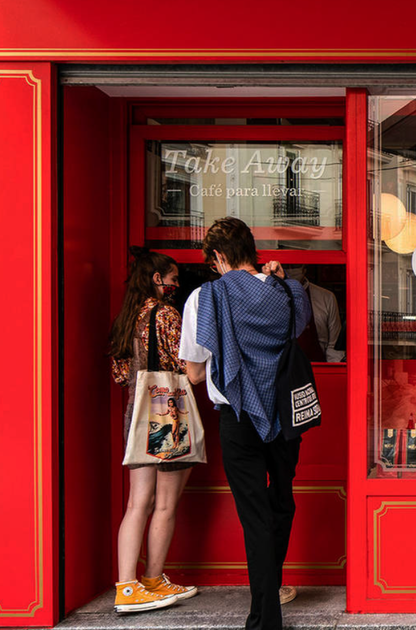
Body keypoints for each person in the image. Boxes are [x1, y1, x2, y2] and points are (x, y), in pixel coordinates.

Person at [180, 218, 310, 630]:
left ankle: (264, 619)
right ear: (251, 249)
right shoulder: (289, 292)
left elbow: (197, 374)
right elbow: (299, 330)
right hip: (285, 412)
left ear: (218, 257)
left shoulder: (207, 298)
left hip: (238, 414)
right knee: (282, 502)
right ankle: (267, 597)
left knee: (254, 514)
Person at [107, 247, 199, 613]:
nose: (176, 284)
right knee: (165, 503)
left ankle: (126, 587)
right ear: (157, 279)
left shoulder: (126, 318)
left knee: (136, 502)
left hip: (137, 413)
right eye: (173, 278)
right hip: (168, 414)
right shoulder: (166, 314)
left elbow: (119, 375)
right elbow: (185, 363)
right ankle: (153, 579)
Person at [283, 265, 343, 362]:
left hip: (319, 368)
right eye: (287, 266)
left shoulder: (326, 297)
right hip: (283, 370)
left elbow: (334, 345)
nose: (291, 270)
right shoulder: (272, 295)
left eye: (295, 266)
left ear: (304, 269)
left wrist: (334, 372)